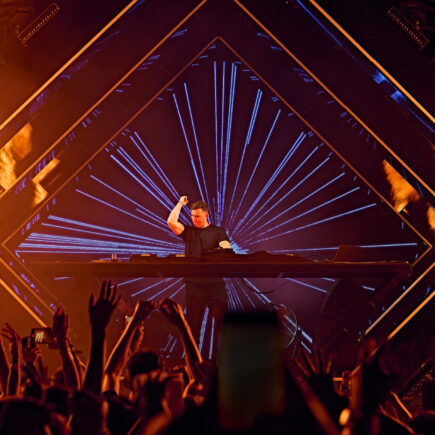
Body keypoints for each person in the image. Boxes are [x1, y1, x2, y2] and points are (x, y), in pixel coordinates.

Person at [167, 196, 231, 351]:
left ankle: (221, 359)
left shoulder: (218, 231)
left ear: (206, 215)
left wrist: (222, 249)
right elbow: (171, 222)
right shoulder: (189, 232)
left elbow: (226, 247)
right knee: (193, 327)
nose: (194, 219)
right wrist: (180, 204)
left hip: (215, 284)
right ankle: (195, 361)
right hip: (194, 284)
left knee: (223, 324)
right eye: (192, 216)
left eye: (198, 216)